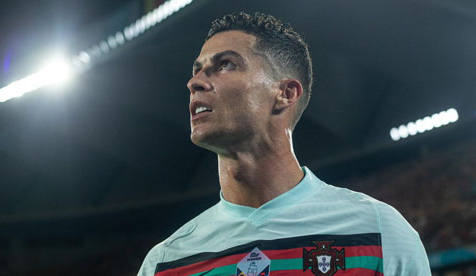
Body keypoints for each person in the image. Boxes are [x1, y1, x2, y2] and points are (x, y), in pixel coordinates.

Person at [138, 12, 430, 276]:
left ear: (286, 93)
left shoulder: (377, 232)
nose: (195, 82)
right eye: (197, 69)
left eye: (225, 64)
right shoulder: (166, 262)